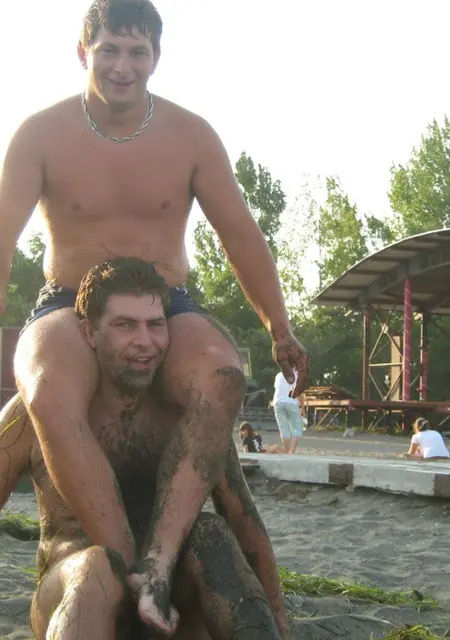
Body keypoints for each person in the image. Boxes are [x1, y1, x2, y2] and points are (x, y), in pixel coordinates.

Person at [1, 0, 310, 631]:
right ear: (83, 52)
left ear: (156, 57)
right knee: (45, 382)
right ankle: (126, 565)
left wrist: (280, 326)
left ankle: (161, 561)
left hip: (165, 301)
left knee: (222, 375)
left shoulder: (190, 134)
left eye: (137, 52)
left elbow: (239, 233)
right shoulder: (40, 133)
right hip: (69, 300)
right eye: (110, 49)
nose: (123, 66)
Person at [0, 258, 286, 639]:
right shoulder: (39, 413)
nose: (144, 341)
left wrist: (279, 622)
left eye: (155, 325)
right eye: (125, 325)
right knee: (98, 569)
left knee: (210, 534)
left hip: (172, 608)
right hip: (75, 598)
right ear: (89, 332)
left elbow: (243, 519)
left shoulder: (189, 419)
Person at [272, 372, 304, 454]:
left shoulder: (278, 375)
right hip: (291, 402)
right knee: (297, 429)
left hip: (278, 403)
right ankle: (291, 452)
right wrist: (303, 410)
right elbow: (300, 394)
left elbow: (279, 390)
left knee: (284, 430)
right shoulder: (297, 375)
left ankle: (286, 453)